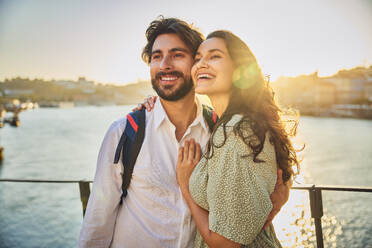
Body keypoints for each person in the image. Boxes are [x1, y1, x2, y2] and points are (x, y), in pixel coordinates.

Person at [78, 17, 291, 248]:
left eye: (177, 55)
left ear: (194, 65)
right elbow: (97, 221)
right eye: (156, 57)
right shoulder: (124, 132)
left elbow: (267, 167)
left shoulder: (220, 128)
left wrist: (279, 197)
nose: (165, 64)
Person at [175, 31, 300, 247]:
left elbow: (225, 244)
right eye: (198, 58)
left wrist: (185, 185)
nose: (201, 64)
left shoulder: (236, 131)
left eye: (214, 56)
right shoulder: (238, 122)